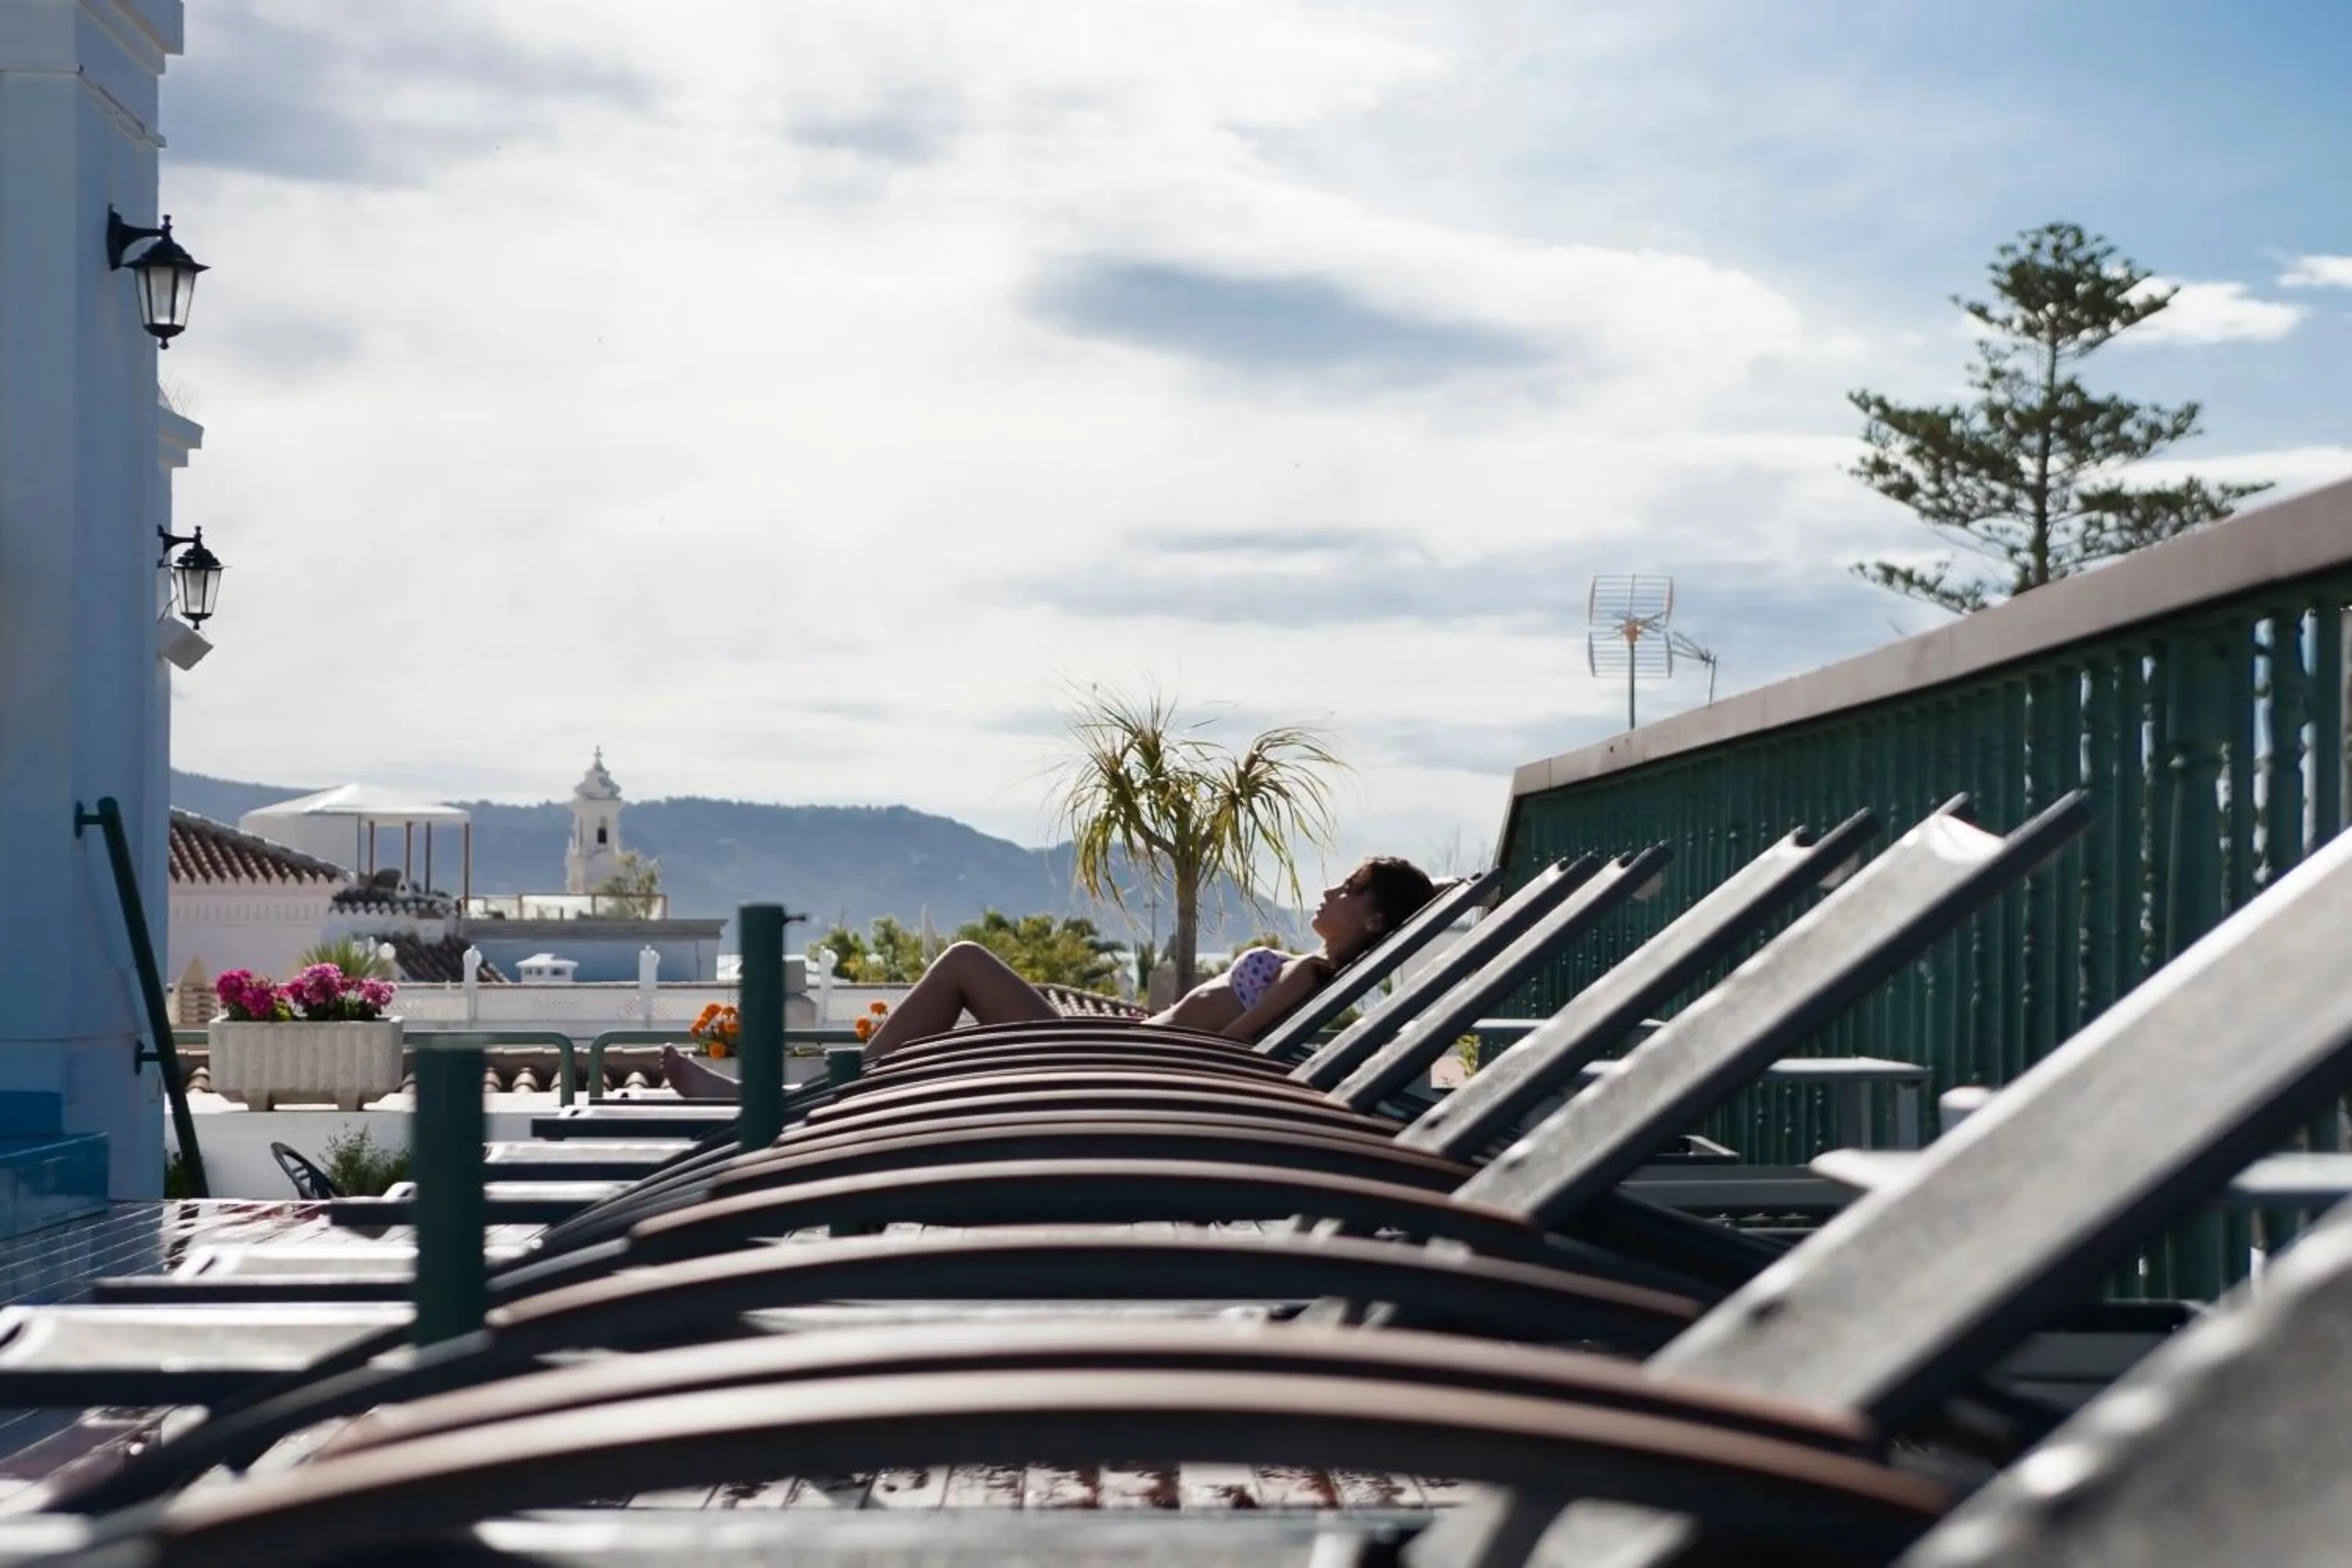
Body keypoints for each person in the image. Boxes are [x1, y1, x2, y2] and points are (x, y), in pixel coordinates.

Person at [659, 855, 1439, 1099]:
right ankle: (787, 1101)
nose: (1330, 892)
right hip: (1123, 1050)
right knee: (953, 1003)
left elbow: (1225, 1056)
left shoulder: (1305, 972)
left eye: (1348, 889)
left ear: (1373, 920)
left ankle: (782, 1102)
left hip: (1116, 1066)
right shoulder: (1310, 972)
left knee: (965, 960)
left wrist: (1140, 1042)